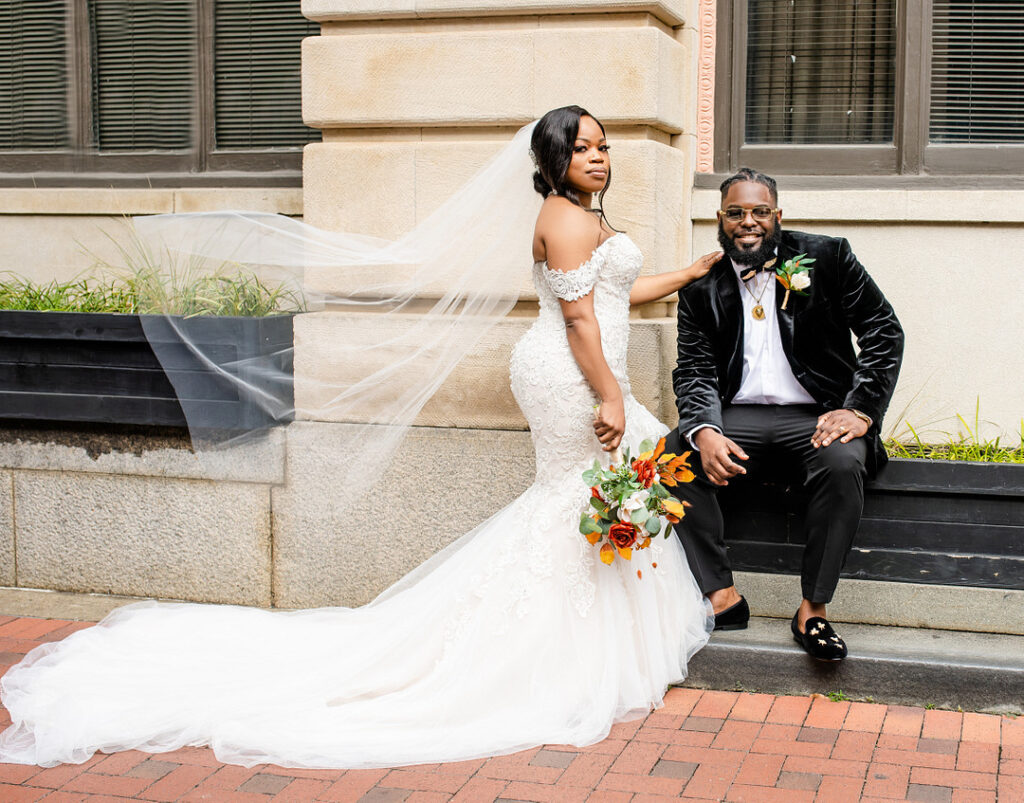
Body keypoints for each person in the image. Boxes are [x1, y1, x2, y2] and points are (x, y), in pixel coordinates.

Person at [0, 106, 721, 769]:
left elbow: (610, 293)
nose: (597, 157)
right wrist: (608, 395)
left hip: (593, 371)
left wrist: (688, 271)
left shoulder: (584, 217)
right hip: (572, 375)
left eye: (602, 146)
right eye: (582, 147)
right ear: (553, 159)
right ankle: (542, 655)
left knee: (591, 495)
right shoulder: (562, 218)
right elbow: (579, 321)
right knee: (576, 495)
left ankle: (593, 646)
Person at [664, 167, 904, 662]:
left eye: (758, 212)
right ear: (720, 219)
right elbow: (693, 369)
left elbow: (884, 330)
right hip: (739, 417)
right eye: (735, 213)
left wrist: (859, 410)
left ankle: (812, 612)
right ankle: (722, 598)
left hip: (815, 416)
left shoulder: (826, 256)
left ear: (777, 216)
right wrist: (705, 430)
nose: (747, 222)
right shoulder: (700, 286)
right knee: (673, 455)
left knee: (843, 463)